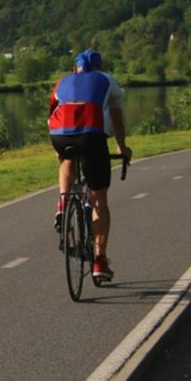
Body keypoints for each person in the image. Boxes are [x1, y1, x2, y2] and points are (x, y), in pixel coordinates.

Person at [48, 49, 132, 282]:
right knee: (99, 201)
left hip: (60, 135)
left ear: (75, 68)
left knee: (66, 159)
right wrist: (122, 147)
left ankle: (64, 201)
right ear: (99, 67)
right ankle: (100, 260)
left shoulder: (63, 80)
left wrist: (59, 150)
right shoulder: (107, 80)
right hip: (92, 137)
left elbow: (52, 112)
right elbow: (116, 117)